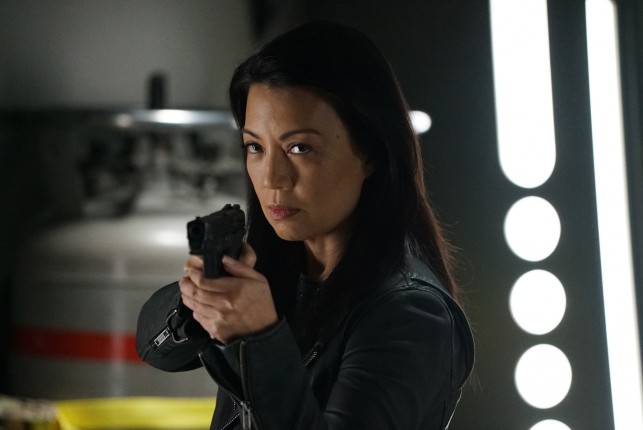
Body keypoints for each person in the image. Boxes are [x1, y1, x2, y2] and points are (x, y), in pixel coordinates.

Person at [136, 20, 474, 430]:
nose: (272, 178)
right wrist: (199, 298)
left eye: (300, 147)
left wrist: (259, 338)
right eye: (255, 147)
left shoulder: (411, 314)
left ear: (371, 152)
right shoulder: (280, 277)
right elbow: (154, 349)